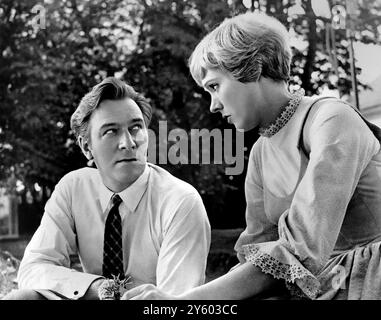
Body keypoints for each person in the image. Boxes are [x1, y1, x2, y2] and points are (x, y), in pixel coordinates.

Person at [123, 11, 381, 300]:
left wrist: (184, 303)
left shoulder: (331, 119)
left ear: (253, 68)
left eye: (215, 86)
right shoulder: (260, 151)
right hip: (319, 290)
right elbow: (257, 258)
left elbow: (300, 248)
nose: (213, 106)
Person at [3, 77, 211, 300]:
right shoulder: (73, 188)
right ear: (86, 147)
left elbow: (174, 302)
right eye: (111, 131)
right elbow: (33, 268)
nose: (128, 142)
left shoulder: (181, 201)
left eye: (136, 128)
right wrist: (100, 288)